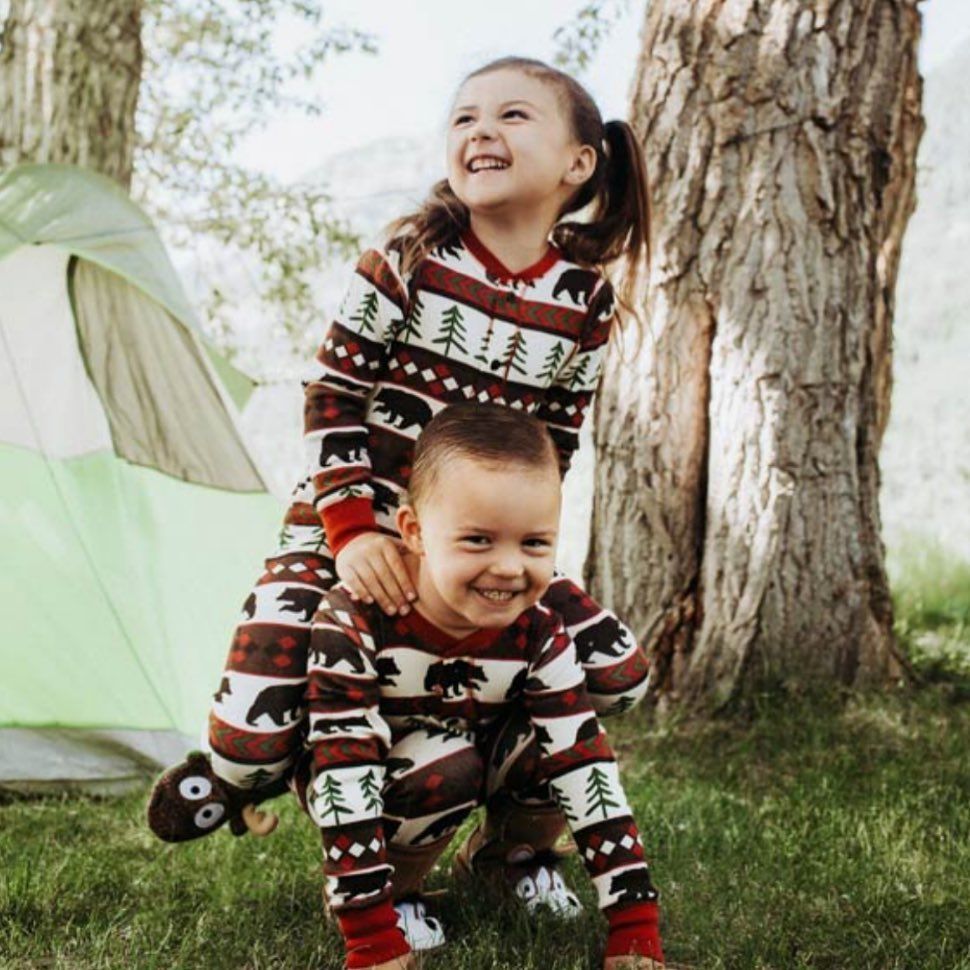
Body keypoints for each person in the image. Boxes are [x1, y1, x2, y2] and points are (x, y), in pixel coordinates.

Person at [148, 53, 656, 945]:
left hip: (477, 539)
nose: (479, 131)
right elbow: (333, 396)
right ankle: (265, 775)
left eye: (511, 116)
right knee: (248, 734)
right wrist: (349, 534)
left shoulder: (584, 301)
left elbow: (558, 443)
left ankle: (514, 849)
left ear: (580, 164)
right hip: (349, 521)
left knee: (611, 668)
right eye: (462, 118)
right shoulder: (408, 257)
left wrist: (518, 556)